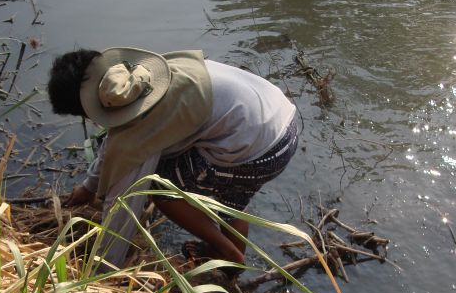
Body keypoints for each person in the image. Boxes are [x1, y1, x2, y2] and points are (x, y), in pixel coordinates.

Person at [47, 46, 298, 268]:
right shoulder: (141, 78)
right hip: (280, 125)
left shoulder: (139, 129)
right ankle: (230, 266)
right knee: (232, 194)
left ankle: (225, 251)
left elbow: (122, 204)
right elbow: (115, 141)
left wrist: (101, 270)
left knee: (159, 187)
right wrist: (90, 188)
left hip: (257, 149)